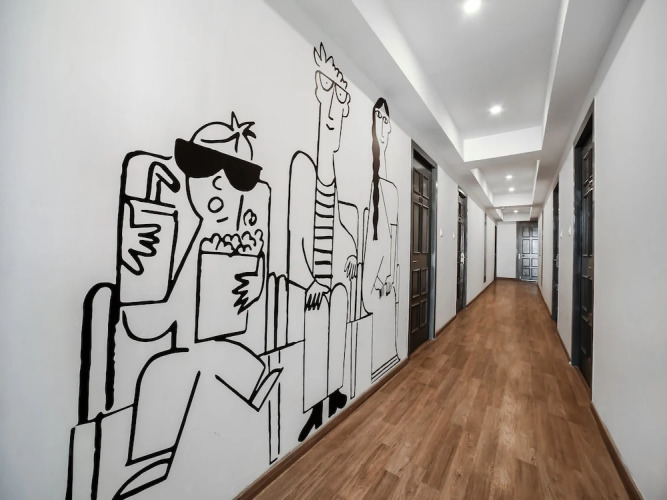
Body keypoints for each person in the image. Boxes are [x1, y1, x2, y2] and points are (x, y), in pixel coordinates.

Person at [114, 114, 281, 498]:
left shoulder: (231, 242)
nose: (219, 183)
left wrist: (256, 281)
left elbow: (237, 296)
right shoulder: (183, 238)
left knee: (171, 369)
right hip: (193, 348)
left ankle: (157, 461)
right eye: (202, 166)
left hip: (208, 349)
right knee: (160, 372)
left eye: (237, 176)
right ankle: (155, 463)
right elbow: (155, 320)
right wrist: (134, 265)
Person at [287, 43, 357, 442]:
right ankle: (316, 404)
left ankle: (334, 391)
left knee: (339, 316)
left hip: (335, 280)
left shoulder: (331, 179)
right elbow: (297, 230)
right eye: (329, 94)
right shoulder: (303, 167)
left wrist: (351, 254)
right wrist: (310, 276)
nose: (334, 115)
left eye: (339, 101)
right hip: (313, 280)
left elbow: (339, 223)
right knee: (316, 328)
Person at [362, 98, 400, 381]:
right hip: (370, 274)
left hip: (384, 274)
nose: (384, 125)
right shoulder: (369, 184)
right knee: (377, 299)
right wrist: (376, 276)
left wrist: (389, 275)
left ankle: (388, 356)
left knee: (390, 295)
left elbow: (393, 239)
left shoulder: (391, 190)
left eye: (387, 120)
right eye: (379, 117)